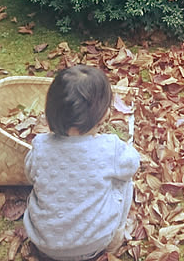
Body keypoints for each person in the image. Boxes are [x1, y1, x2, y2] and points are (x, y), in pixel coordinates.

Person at [23, 65, 140, 260]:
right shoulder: (110, 147)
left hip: (44, 242)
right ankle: (117, 234)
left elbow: (30, 174)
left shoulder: (41, 145)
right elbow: (132, 164)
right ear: (103, 114)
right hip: (95, 242)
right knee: (124, 181)